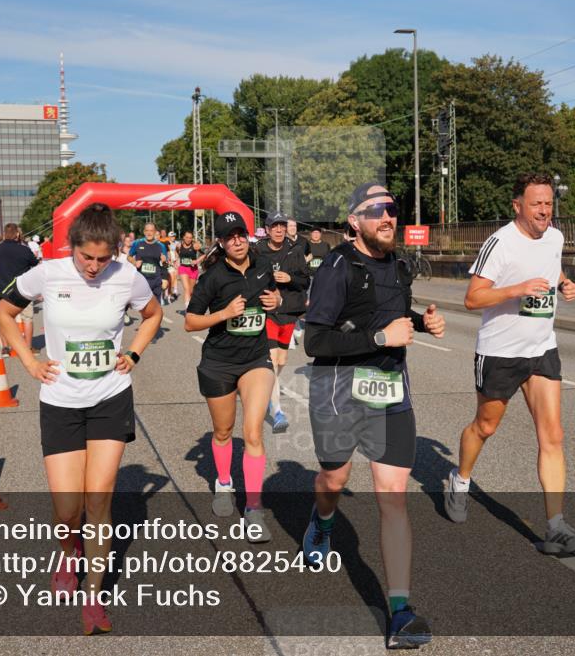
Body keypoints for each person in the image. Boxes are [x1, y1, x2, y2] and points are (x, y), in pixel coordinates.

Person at [0, 203, 162, 635]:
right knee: (68, 509)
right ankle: (69, 551)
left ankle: (93, 595)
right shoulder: (47, 273)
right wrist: (29, 361)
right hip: (61, 401)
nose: (93, 266)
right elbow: (3, 312)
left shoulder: (126, 275)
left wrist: (134, 352)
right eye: (87, 257)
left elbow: (153, 314)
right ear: (73, 247)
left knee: (98, 500)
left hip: (110, 397)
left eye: (102, 258)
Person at [301, 182, 445, 649]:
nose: (388, 217)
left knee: (393, 498)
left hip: (390, 396)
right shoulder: (337, 268)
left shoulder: (400, 266)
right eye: (377, 210)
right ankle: (322, 523)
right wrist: (381, 339)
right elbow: (316, 342)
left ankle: (399, 612)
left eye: (392, 209)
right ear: (354, 222)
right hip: (339, 394)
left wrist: (423, 322)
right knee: (333, 483)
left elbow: (393, 312)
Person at [445, 173, 575, 554]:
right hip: (499, 352)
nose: (544, 210)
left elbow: (552, 266)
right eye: (536, 203)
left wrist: (564, 284)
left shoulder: (556, 236)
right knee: (486, 426)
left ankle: (556, 525)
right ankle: (460, 479)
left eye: (548, 203)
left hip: (542, 348)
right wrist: (517, 289)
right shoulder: (500, 243)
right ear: (518, 206)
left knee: (553, 436)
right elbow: (472, 299)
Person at [184, 212, 281, 541]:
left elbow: (274, 297)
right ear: (222, 243)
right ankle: (224, 482)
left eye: (241, 234)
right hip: (219, 362)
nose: (237, 240)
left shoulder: (263, 265)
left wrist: (276, 299)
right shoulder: (212, 277)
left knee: (252, 432)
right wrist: (224, 314)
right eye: (230, 236)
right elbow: (190, 321)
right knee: (223, 431)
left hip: (255, 359)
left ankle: (254, 508)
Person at [253, 212, 308, 433]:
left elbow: (306, 280)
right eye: (274, 226)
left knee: (282, 359)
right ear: (267, 230)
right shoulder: (258, 250)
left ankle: (266, 386)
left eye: (282, 226)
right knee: (273, 360)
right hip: (267, 310)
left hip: (288, 311)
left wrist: (290, 278)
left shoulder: (295, 250)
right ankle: (277, 411)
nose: (279, 230)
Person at [0, 224, 39, 355]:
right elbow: (35, 263)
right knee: (27, 318)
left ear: (4, 234)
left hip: (2, 289)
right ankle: (28, 347)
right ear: (17, 234)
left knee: (3, 318)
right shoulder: (24, 250)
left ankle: (6, 348)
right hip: (22, 288)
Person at [129, 223, 168, 306]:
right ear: (144, 232)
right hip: (142, 279)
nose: (149, 233)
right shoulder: (137, 243)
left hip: (156, 280)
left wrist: (165, 277)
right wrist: (134, 262)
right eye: (147, 230)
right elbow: (129, 257)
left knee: (156, 307)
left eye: (151, 231)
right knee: (145, 307)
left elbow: (165, 264)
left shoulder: (161, 246)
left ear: (155, 232)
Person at [176, 230, 202, 313]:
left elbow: (205, 254)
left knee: (191, 291)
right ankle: (188, 309)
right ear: (183, 237)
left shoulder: (195, 246)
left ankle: (189, 306)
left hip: (193, 270)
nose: (188, 239)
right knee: (187, 289)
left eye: (190, 238)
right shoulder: (179, 245)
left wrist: (197, 261)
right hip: (183, 268)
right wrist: (177, 260)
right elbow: (177, 252)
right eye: (187, 237)